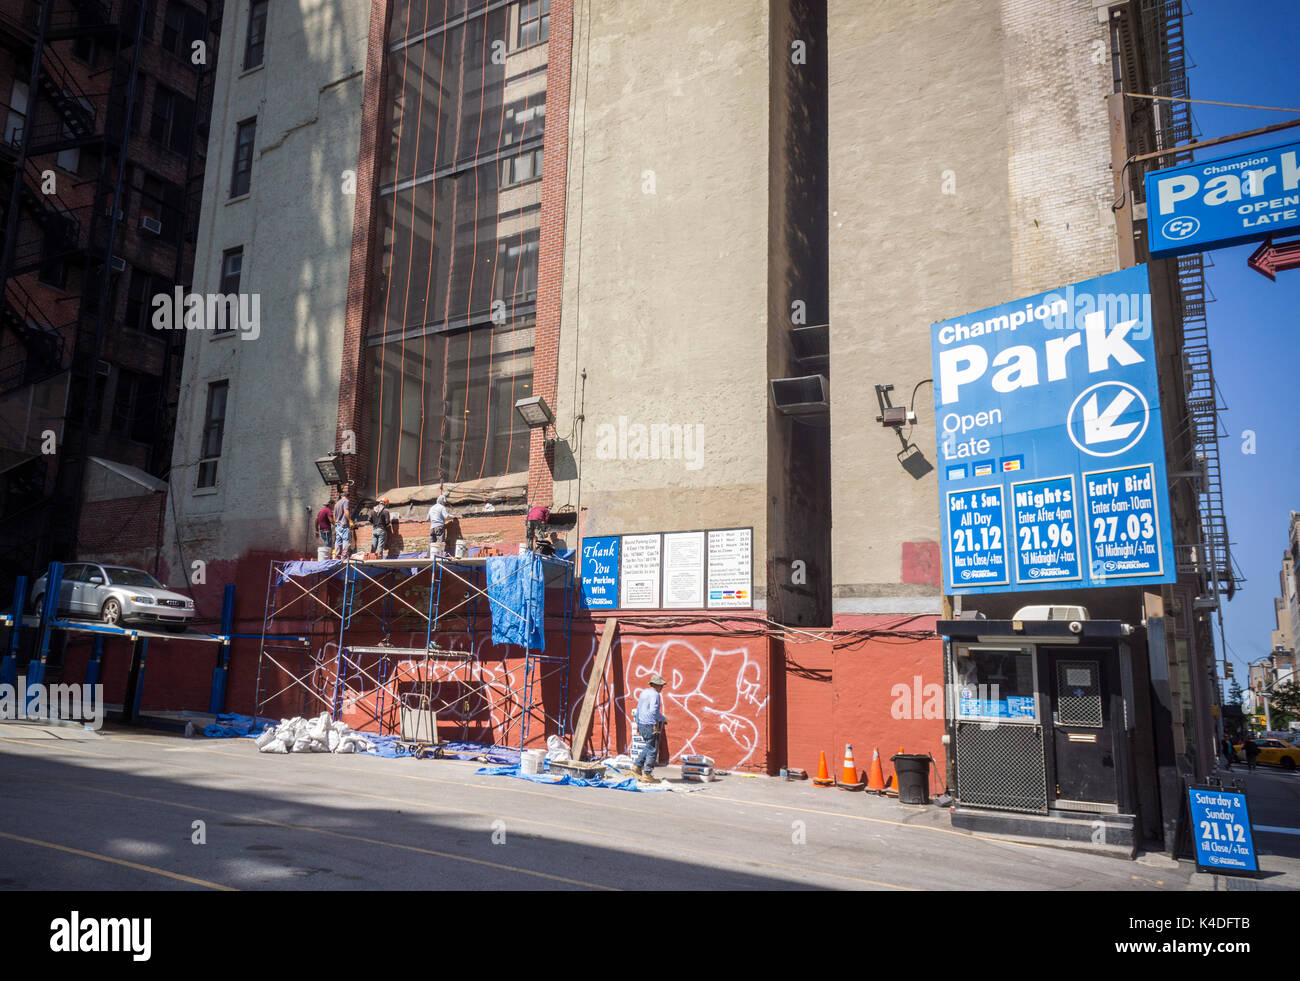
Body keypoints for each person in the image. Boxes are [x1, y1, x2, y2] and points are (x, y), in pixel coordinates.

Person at [632, 673, 668, 783]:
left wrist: (638, 723)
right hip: (650, 724)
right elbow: (653, 711)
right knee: (652, 749)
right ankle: (647, 773)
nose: (662, 687)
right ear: (656, 685)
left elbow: (638, 709)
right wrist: (663, 718)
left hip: (642, 723)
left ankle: (637, 766)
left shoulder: (644, 693)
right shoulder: (655, 695)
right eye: (661, 685)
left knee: (648, 746)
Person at [332, 483, 354, 559]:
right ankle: (344, 556)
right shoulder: (346, 501)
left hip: (337, 525)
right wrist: (350, 520)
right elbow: (346, 511)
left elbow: (334, 515)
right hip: (344, 525)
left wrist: (336, 523)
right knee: (346, 540)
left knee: (338, 540)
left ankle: (337, 556)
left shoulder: (337, 503)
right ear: (347, 496)